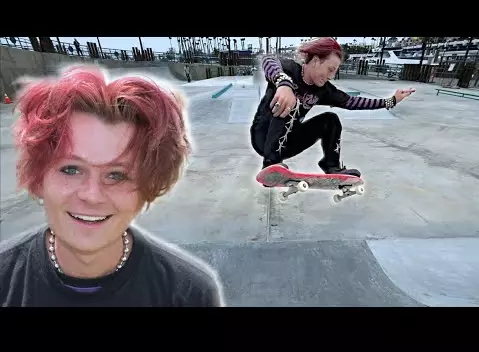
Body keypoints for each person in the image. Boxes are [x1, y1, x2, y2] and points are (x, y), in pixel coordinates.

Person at [0, 65, 225, 307]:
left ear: (149, 185)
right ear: (39, 177)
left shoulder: (190, 294)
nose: (92, 195)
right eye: (71, 169)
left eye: (117, 175)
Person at [250, 37, 415, 178]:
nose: (331, 76)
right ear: (315, 61)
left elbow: (353, 102)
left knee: (331, 120)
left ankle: (331, 166)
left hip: (288, 143)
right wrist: (283, 84)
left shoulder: (323, 90)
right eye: (330, 69)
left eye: (334, 72)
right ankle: (270, 164)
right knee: (291, 101)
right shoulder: (290, 69)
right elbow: (269, 61)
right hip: (262, 137)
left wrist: (391, 101)